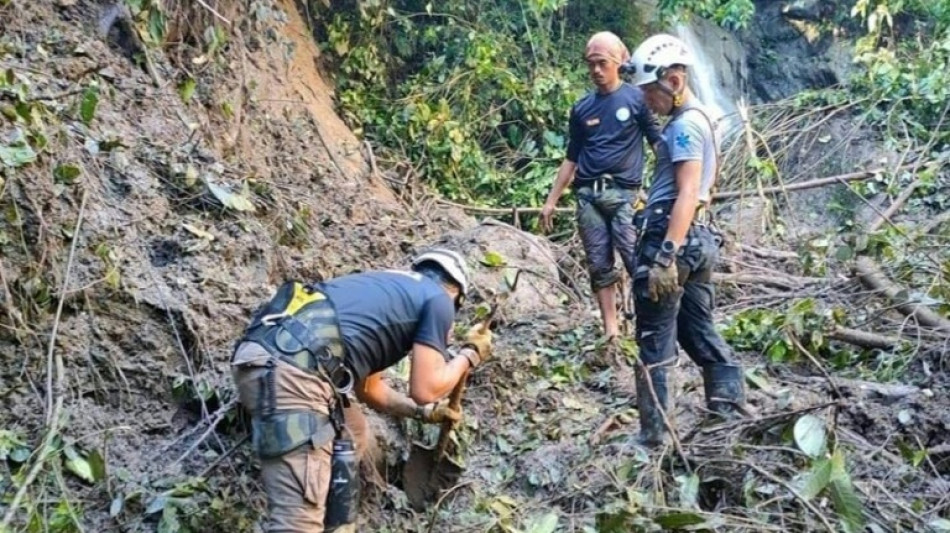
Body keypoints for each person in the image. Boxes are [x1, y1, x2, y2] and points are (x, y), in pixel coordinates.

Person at [231, 248, 493, 532]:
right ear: (456, 294)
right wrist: (469, 355)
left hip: (264, 356)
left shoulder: (384, 289)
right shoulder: (440, 299)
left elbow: (371, 390)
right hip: (296, 375)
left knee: (353, 429)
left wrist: (423, 413)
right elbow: (426, 388)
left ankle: (335, 522)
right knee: (297, 523)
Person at [625, 34, 747, 446]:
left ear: (673, 81)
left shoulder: (683, 129)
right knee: (696, 329)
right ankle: (727, 408)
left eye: (649, 92)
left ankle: (653, 437)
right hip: (700, 241)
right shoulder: (701, 121)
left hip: (673, 240)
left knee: (654, 339)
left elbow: (688, 193)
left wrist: (665, 256)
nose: (646, 101)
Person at [540, 31, 662, 355]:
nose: (596, 70)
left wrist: (676, 181)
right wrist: (551, 202)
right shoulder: (582, 109)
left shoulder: (637, 99)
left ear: (620, 62)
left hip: (624, 196)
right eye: (591, 64)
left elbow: (658, 143)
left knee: (636, 260)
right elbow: (571, 158)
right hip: (588, 198)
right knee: (599, 265)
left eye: (602, 63)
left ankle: (648, 326)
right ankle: (611, 331)